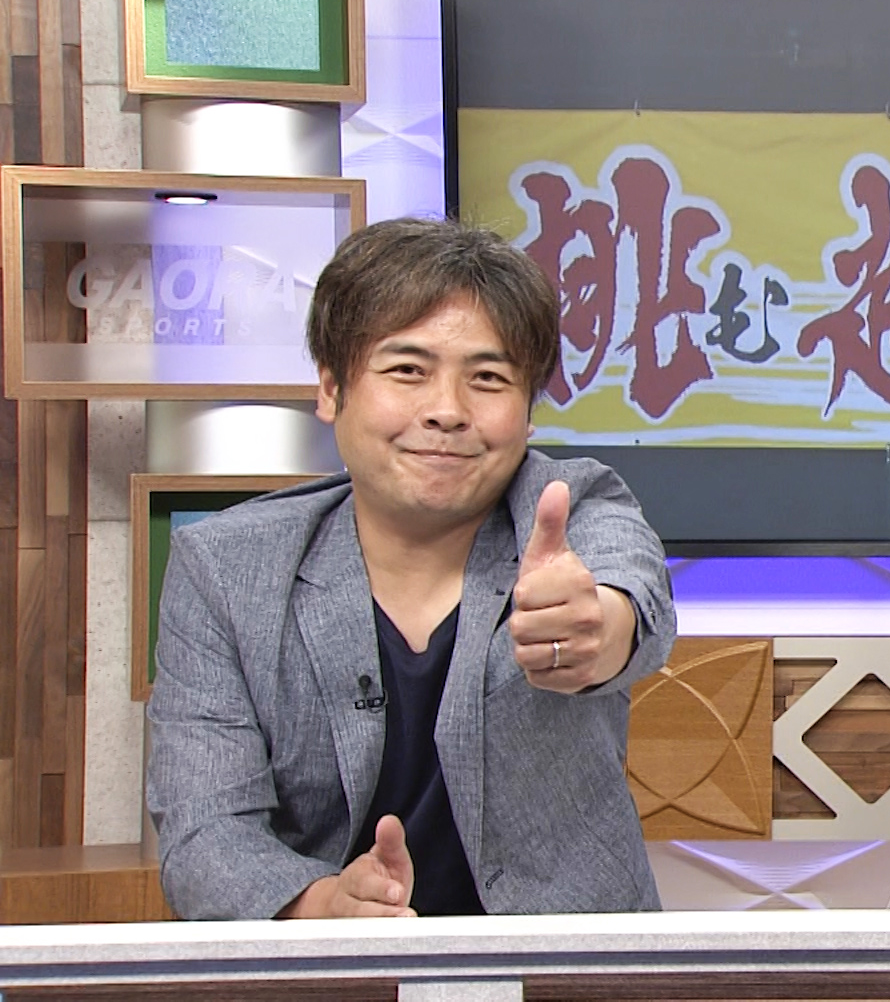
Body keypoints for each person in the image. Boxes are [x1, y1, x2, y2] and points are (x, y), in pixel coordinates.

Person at [146, 218, 675, 919]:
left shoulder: (574, 507)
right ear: (331, 388)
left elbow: (630, 597)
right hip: (329, 964)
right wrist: (324, 907)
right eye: (407, 371)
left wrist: (595, 632)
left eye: (488, 379)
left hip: (563, 961)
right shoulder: (225, 569)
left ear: (528, 413)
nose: (447, 411)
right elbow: (205, 831)